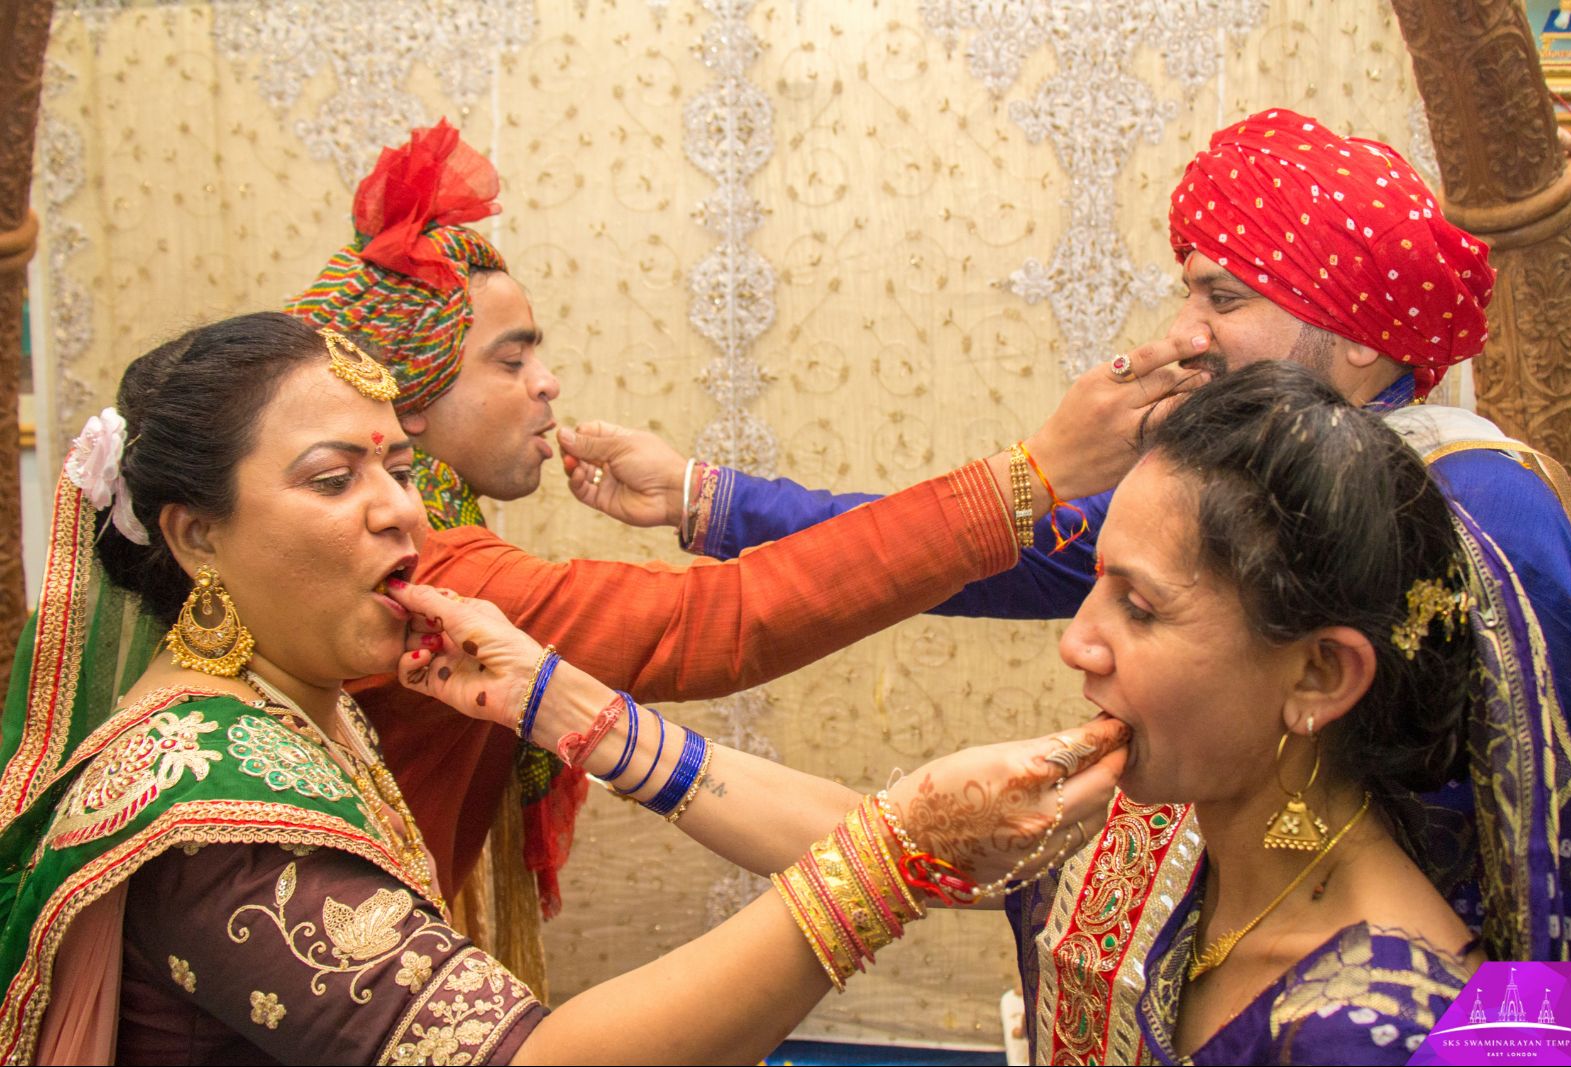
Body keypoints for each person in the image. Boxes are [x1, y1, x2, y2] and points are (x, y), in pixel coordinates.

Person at [567, 108, 1571, 970]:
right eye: (1190, 288)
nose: (1185, 327)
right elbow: (989, 545)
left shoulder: (1485, 511)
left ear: (1366, 334)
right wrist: (706, 496)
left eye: (1221, 296)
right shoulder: (1247, 486)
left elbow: (1532, 860)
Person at [0, 311, 1127, 1064]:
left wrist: (570, 711)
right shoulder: (210, 803)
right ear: (197, 538)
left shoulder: (307, 694)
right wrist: (886, 858)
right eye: (334, 479)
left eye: (397, 465)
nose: (400, 508)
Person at [286, 119, 1206, 981]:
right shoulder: (434, 574)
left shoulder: (441, 544)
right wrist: (1032, 471)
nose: (547, 382)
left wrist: (697, 494)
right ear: (407, 397)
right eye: (511, 360)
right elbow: (717, 623)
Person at [1026, 361, 1541, 1064]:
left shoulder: (1380, 1036)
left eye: (1140, 608)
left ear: (1319, 676)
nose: (1075, 643)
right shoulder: (1169, 837)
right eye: (1096, 582)